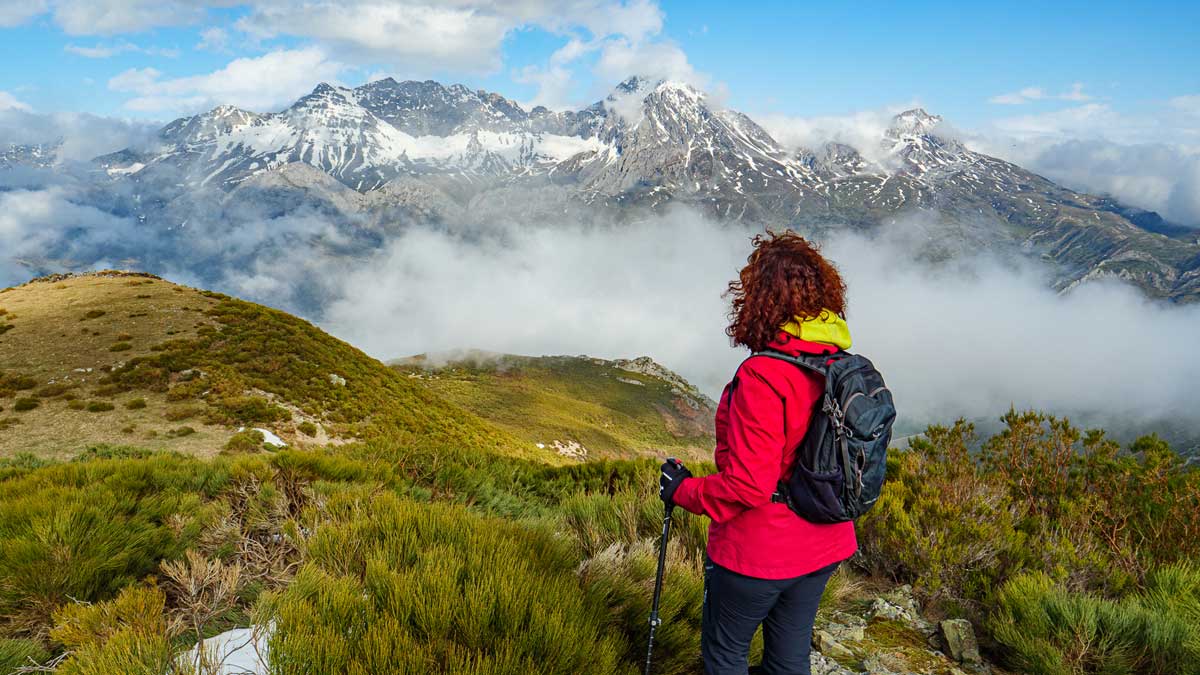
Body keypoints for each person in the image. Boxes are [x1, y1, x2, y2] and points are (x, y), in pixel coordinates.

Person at [659, 230, 858, 675]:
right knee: (789, 661)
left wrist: (682, 491)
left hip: (761, 551)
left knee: (726, 656)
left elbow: (748, 486)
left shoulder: (765, 376)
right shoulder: (839, 363)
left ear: (760, 300)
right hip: (826, 542)